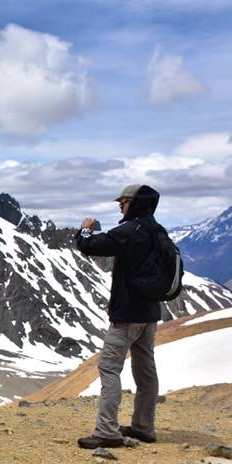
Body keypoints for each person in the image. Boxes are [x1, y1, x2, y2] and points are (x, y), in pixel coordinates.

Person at [75, 184, 162, 450]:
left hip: (127, 314)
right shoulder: (158, 231)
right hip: (150, 313)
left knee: (109, 368)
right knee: (145, 370)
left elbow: (88, 245)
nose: (120, 206)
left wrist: (86, 227)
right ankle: (143, 427)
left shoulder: (130, 231)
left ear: (135, 203)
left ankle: (106, 431)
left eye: (123, 202)